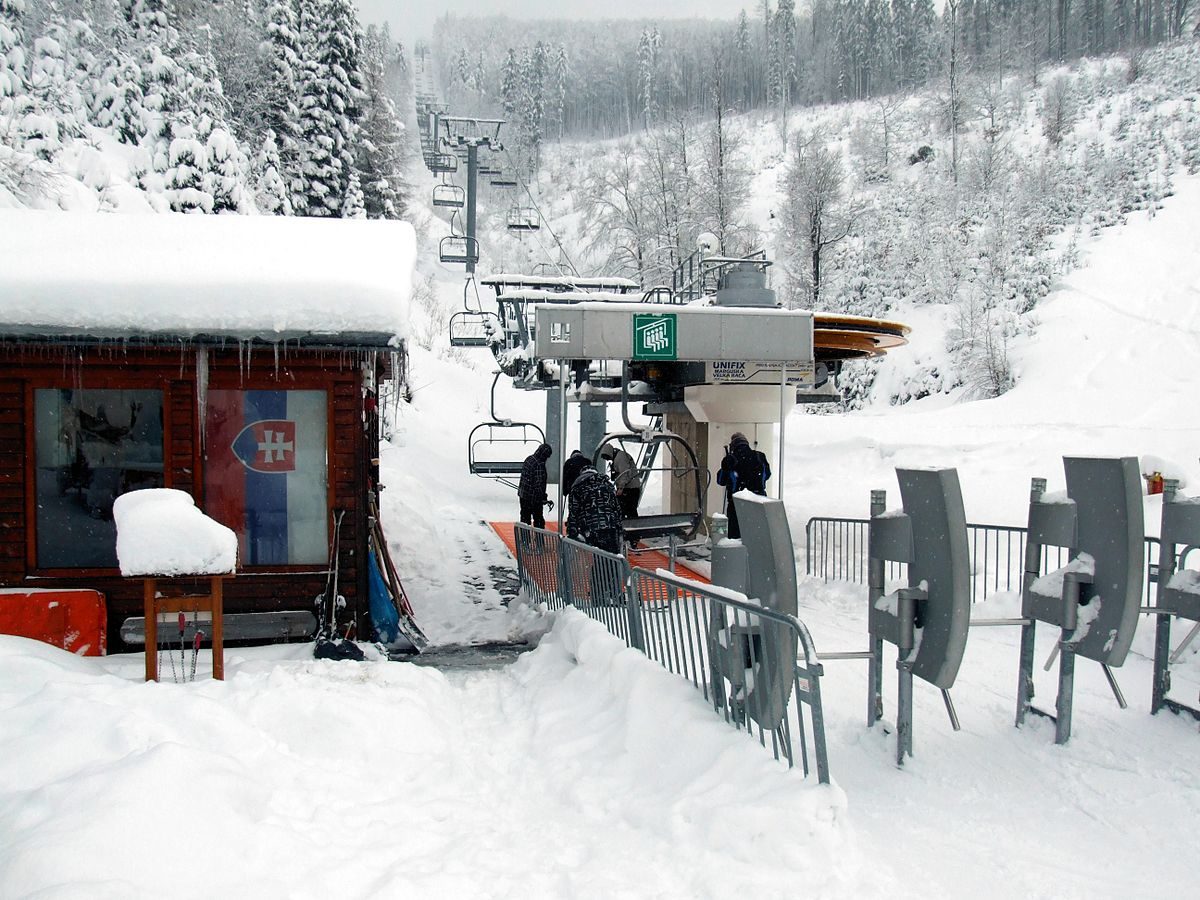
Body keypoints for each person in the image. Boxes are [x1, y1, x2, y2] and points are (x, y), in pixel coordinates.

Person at [716, 432, 771, 540]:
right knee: (757, 536)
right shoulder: (760, 456)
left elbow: (720, 480)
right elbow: (767, 474)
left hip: (736, 504)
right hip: (759, 502)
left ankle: (738, 556)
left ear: (733, 446)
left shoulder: (731, 459)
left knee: (736, 538)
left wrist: (725, 468)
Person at [566, 464, 623, 555]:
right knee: (612, 558)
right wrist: (619, 527)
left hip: (590, 527)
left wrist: (572, 530)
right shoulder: (608, 485)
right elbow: (617, 508)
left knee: (599, 559)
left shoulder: (577, 487)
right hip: (610, 525)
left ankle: (600, 568)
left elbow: (573, 511)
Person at [600, 444, 640, 520]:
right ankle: (630, 525)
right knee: (626, 509)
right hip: (628, 487)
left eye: (607, 457)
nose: (608, 460)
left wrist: (621, 488)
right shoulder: (618, 457)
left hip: (629, 488)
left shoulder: (620, 457)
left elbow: (624, 473)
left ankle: (632, 526)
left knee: (628, 509)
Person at [518, 443, 553, 529]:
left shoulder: (529, 459)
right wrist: (543, 497)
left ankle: (524, 539)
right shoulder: (539, 464)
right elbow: (538, 484)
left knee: (525, 519)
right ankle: (539, 540)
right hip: (533, 498)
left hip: (523, 495)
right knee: (538, 520)